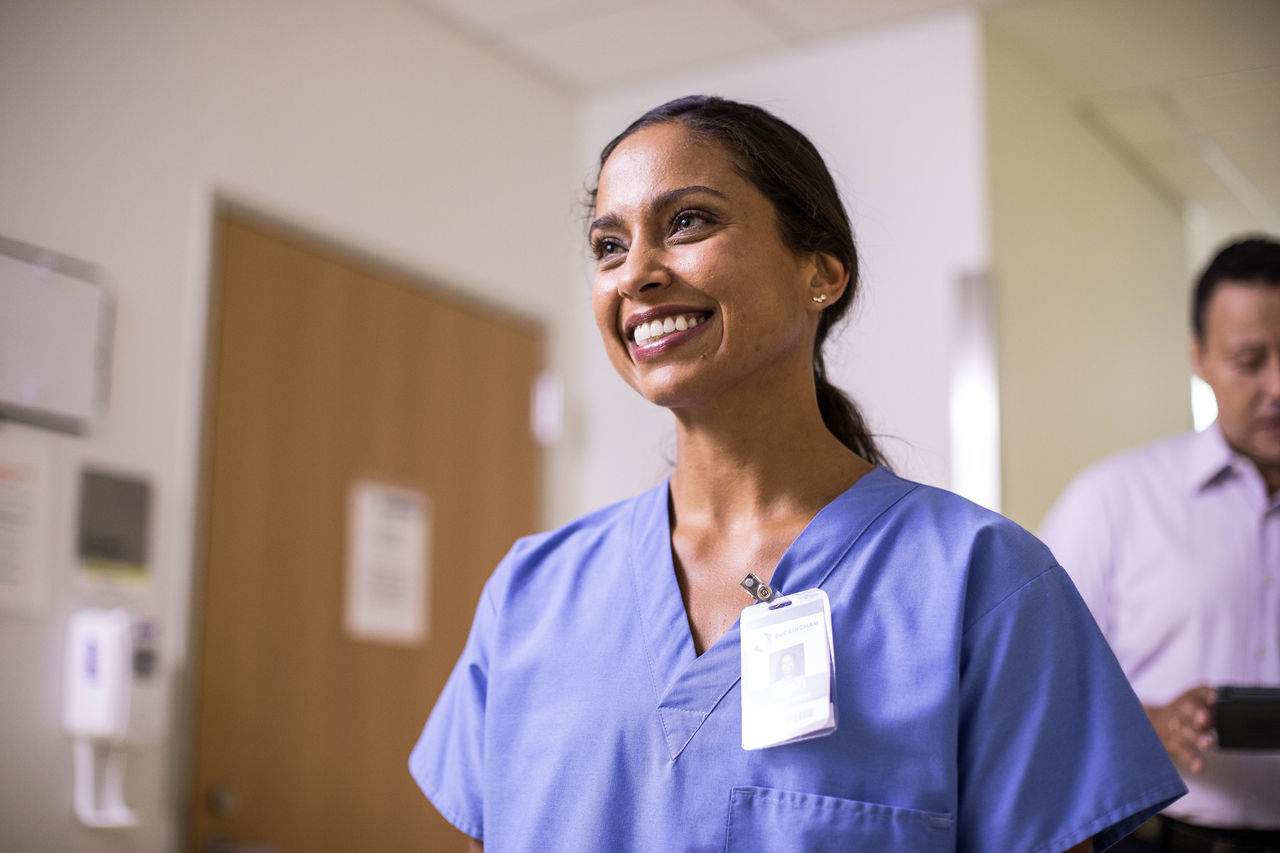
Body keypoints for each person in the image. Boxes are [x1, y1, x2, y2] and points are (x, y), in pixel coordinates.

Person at [410, 95, 1184, 852]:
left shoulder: (982, 581)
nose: (636, 273)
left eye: (687, 222)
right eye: (609, 245)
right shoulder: (531, 592)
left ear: (821, 272)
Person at [1040, 236, 1280, 852]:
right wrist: (1146, 724)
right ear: (1199, 356)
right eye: (1250, 361)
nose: (1277, 386)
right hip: (1156, 839)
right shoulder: (1113, 500)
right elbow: (1038, 678)